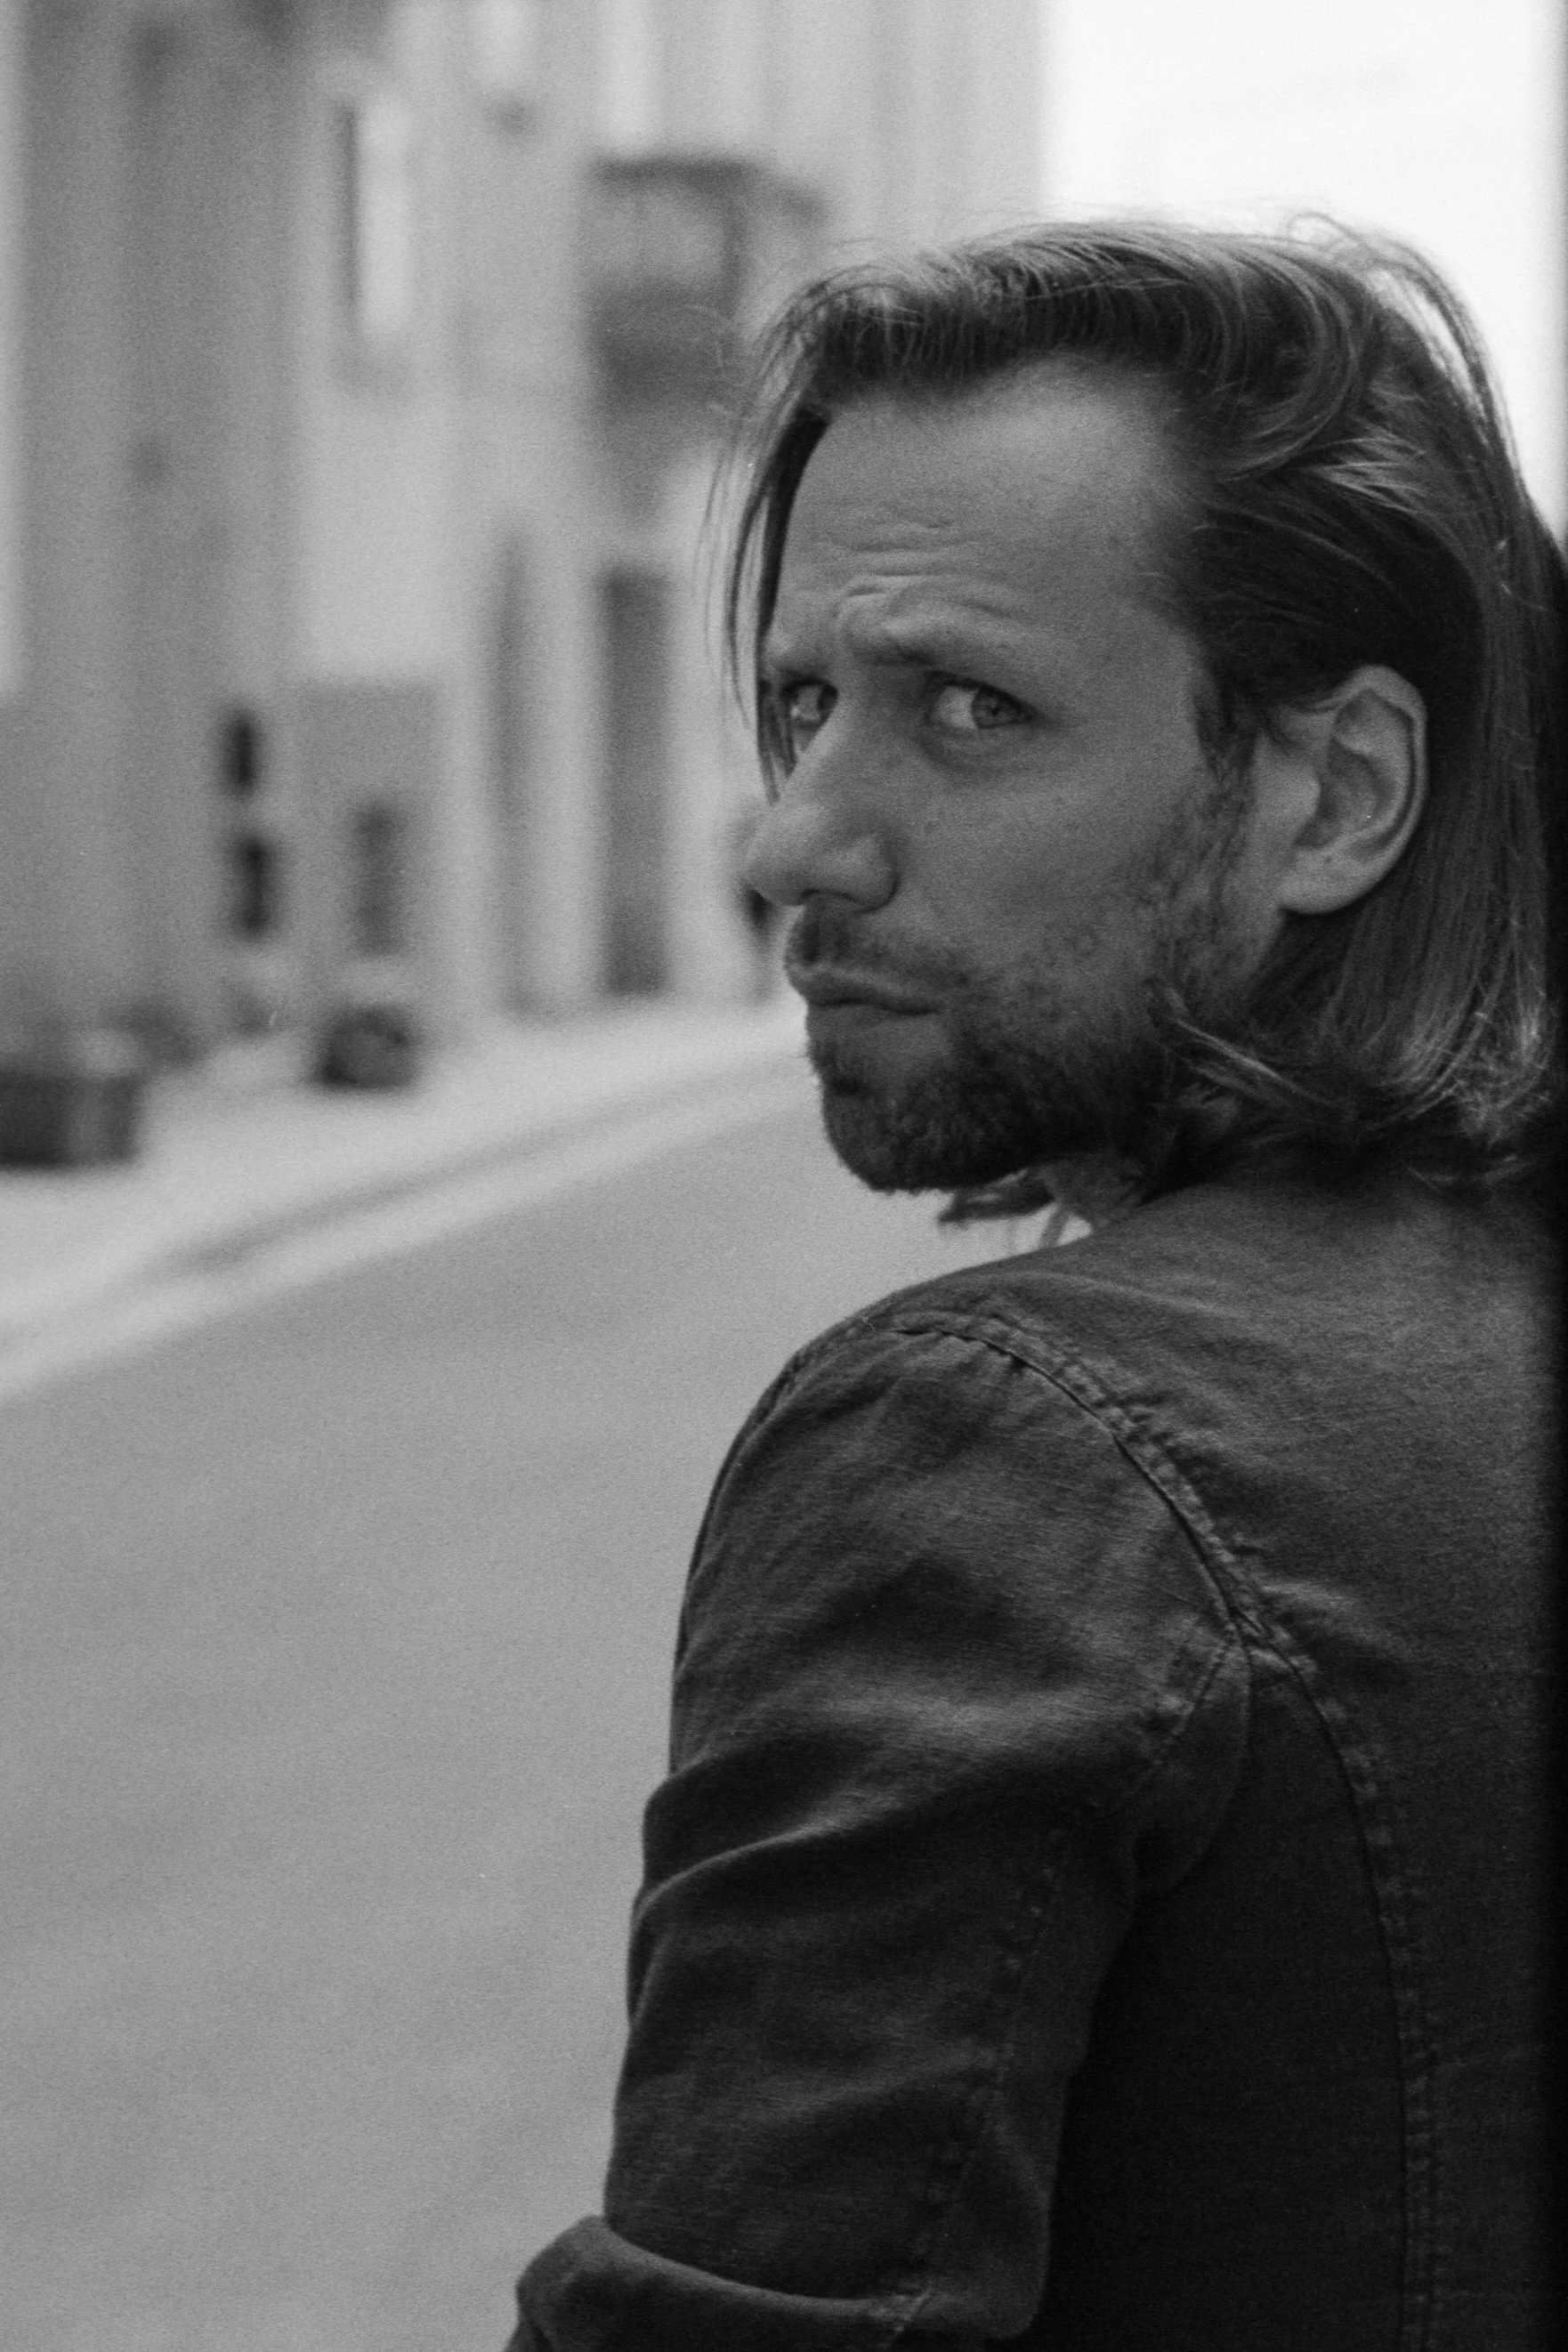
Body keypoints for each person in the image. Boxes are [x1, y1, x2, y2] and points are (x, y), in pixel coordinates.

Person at [509, 223, 1561, 2350]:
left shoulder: (1001, 1450)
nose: (794, 840)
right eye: (803, 700)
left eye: (965, 709)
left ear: (1333, 793)